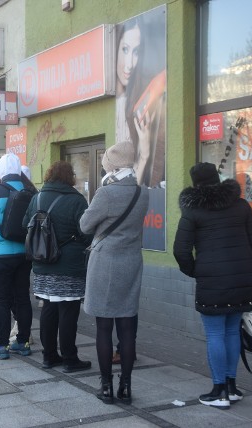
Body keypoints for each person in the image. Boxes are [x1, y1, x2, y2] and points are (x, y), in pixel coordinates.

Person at [173, 162, 252, 409]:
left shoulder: (193, 211)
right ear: (218, 178)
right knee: (233, 331)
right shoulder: (242, 205)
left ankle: (219, 391)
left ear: (196, 183)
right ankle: (232, 387)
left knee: (215, 333)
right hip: (243, 279)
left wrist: (195, 271)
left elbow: (180, 250)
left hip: (212, 280)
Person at [80, 142, 148, 404]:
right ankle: (127, 387)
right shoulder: (142, 193)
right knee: (128, 327)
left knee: (104, 327)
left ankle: (106, 386)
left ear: (113, 166)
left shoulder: (105, 194)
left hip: (105, 263)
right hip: (131, 263)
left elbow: (85, 225)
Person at [23, 161, 93, 372]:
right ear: (69, 177)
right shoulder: (76, 200)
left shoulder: (37, 197)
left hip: (42, 263)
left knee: (49, 308)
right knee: (68, 311)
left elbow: (24, 224)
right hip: (69, 265)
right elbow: (87, 232)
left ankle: (49, 356)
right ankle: (70, 358)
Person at [0, 153, 33, 360]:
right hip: (24, 253)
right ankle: (23, 342)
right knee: (22, 298)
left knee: (1, 299)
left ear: (0, 172)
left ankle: (1, 346)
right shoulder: (31, 191)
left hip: (0, 255)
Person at [115, 15, 167, 188]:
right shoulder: (132, 100)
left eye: (136, 51)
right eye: (125, 49)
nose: (129, 64)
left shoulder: (151, 95)